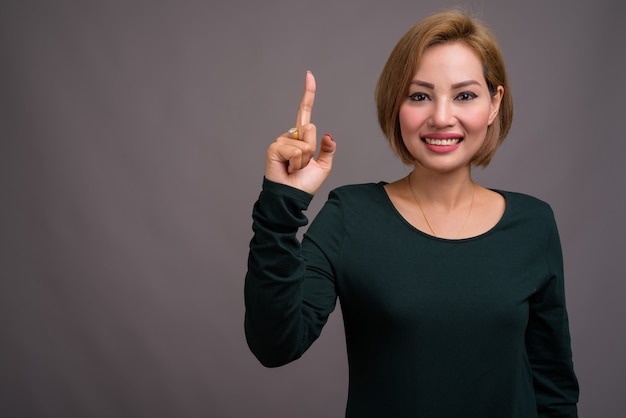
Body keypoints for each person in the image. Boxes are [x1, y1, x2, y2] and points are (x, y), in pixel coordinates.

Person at [244, 9, 579, 418]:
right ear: (395, 105)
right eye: (419, 95)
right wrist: (281, 203)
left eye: (465, 95)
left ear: (494, 104)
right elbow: (275, 345)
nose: (441, 117)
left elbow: (554, 388)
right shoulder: (351, 215)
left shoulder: (534, 224)